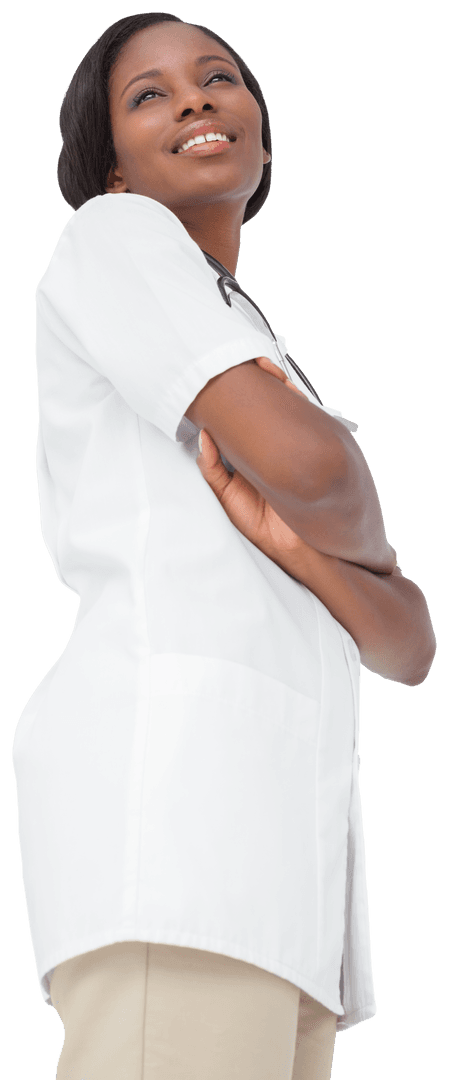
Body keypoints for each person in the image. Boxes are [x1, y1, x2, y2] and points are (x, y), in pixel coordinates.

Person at [11, 12, 437, 1080]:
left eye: (216, 78)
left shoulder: (242, 349)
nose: (195, 99)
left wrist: (304, 550)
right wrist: (330, 521)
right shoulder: (116, 236)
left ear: (260, 129)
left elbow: (408, 648)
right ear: (108, 164)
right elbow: (316, 472)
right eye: (148, 94)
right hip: (181, 834)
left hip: (275, 879)